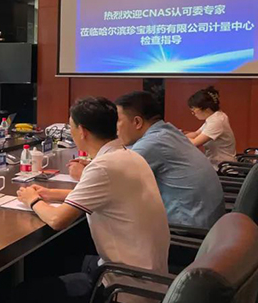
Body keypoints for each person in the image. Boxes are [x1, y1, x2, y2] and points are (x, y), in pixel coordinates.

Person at [12, 97, 169, 303]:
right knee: (55, 258)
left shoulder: (103, 167)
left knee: (23, 292)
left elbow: (58, 220)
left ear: (82, 131)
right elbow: (109, 196)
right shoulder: (129, 156)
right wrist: (50, 194)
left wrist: (32, 200)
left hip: (125, 286)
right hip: (150, 275)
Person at [112, 91, 224, 228]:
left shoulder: (153, 143)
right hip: (210, 220)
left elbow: (111, 181)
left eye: (118, 121)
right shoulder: (168, 132)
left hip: (188, 229)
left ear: (137, 122)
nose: (115, 128)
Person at [185, 86, 236, 169]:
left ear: (206, 109)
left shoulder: (217, 121)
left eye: (193, 110)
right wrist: (178, 134)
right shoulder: (213, 118)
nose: (193, 113)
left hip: (222, 168)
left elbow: (195, 143)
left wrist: (176, 137)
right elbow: (196, 134)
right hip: (214, 165)